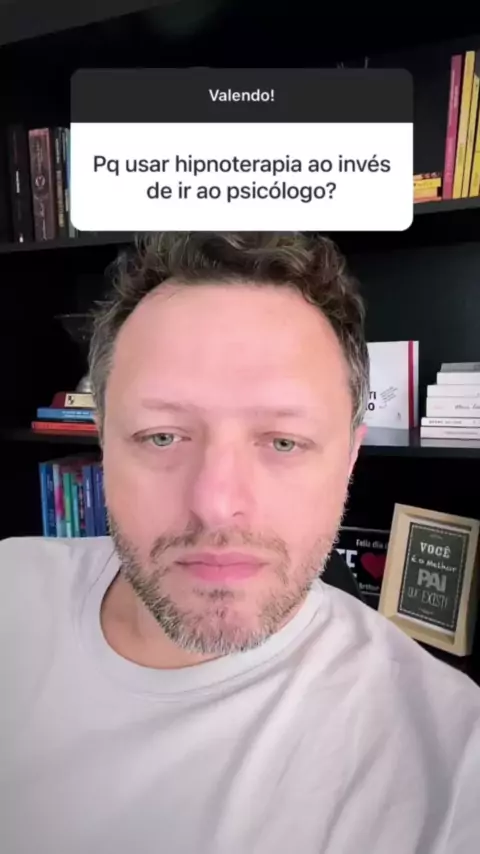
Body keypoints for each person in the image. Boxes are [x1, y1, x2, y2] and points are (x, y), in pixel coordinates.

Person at [1, 231, 479, 854]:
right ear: (104, 441)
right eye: (162, 436)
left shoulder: (452, 766)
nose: (215, 503)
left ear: (349, 459)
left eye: (283, 442)